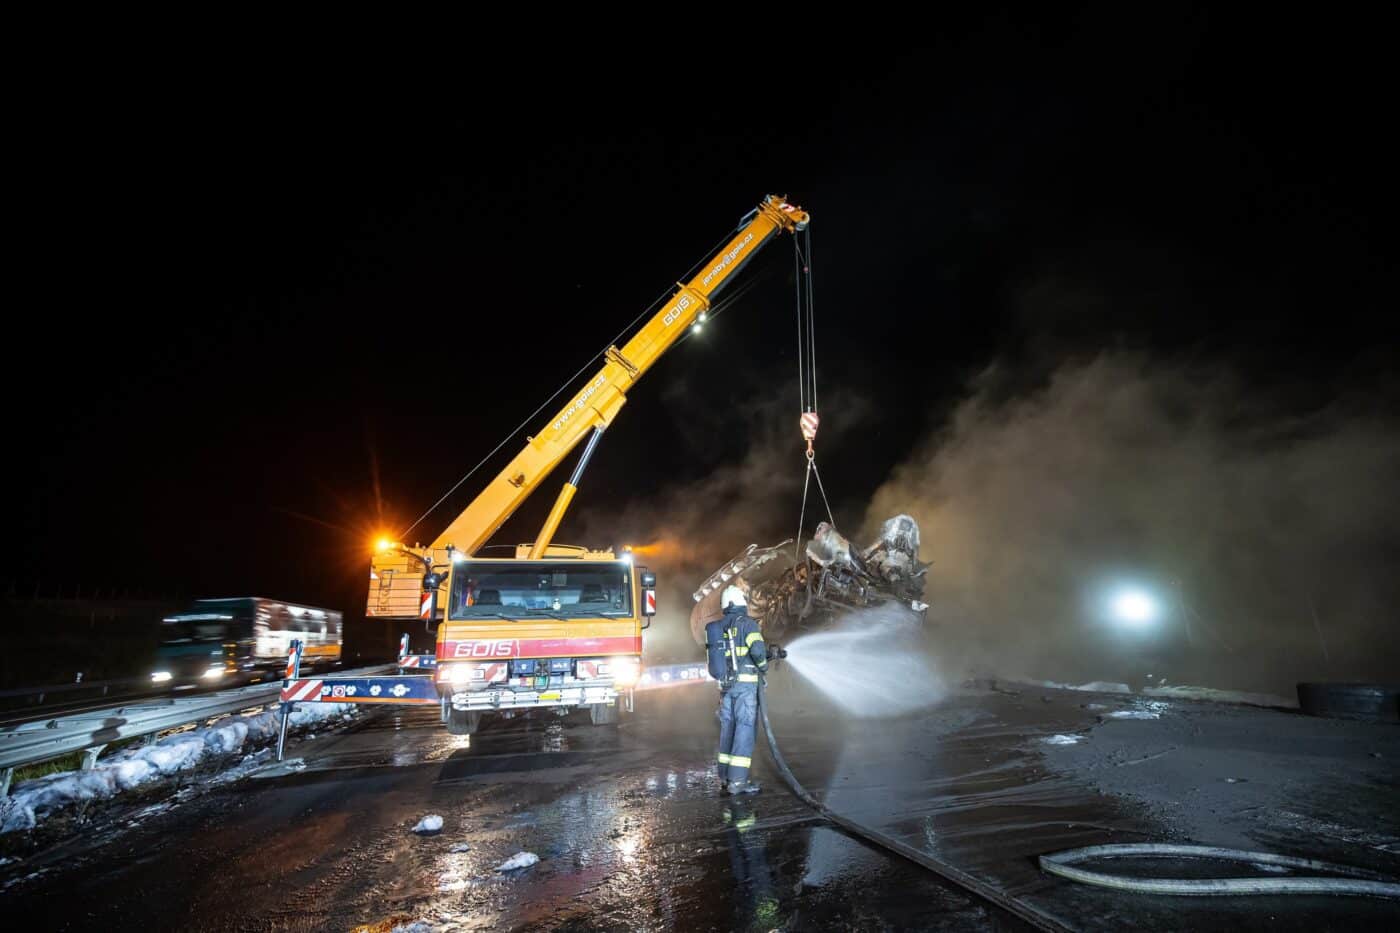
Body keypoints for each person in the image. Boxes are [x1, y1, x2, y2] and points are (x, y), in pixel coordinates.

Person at [705, 584, 769, 795]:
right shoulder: (748, 625)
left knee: (728, 729)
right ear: (742, 603)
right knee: (744, 730)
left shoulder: (717, 627)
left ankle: (725, 777)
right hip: (744, 688)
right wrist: (764, 667)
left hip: (725, 689)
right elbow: (758, 651)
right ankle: (738, 782)